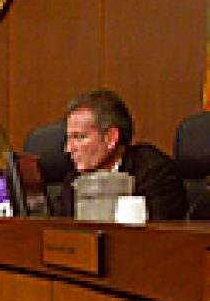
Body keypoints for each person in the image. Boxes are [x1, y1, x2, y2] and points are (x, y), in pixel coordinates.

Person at [59, 89, 186, 221]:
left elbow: (157, 235)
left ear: (111, 138)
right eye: (69, 138)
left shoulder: (155, 173)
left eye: (79, 137)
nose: (69, 148)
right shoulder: (74, 180)